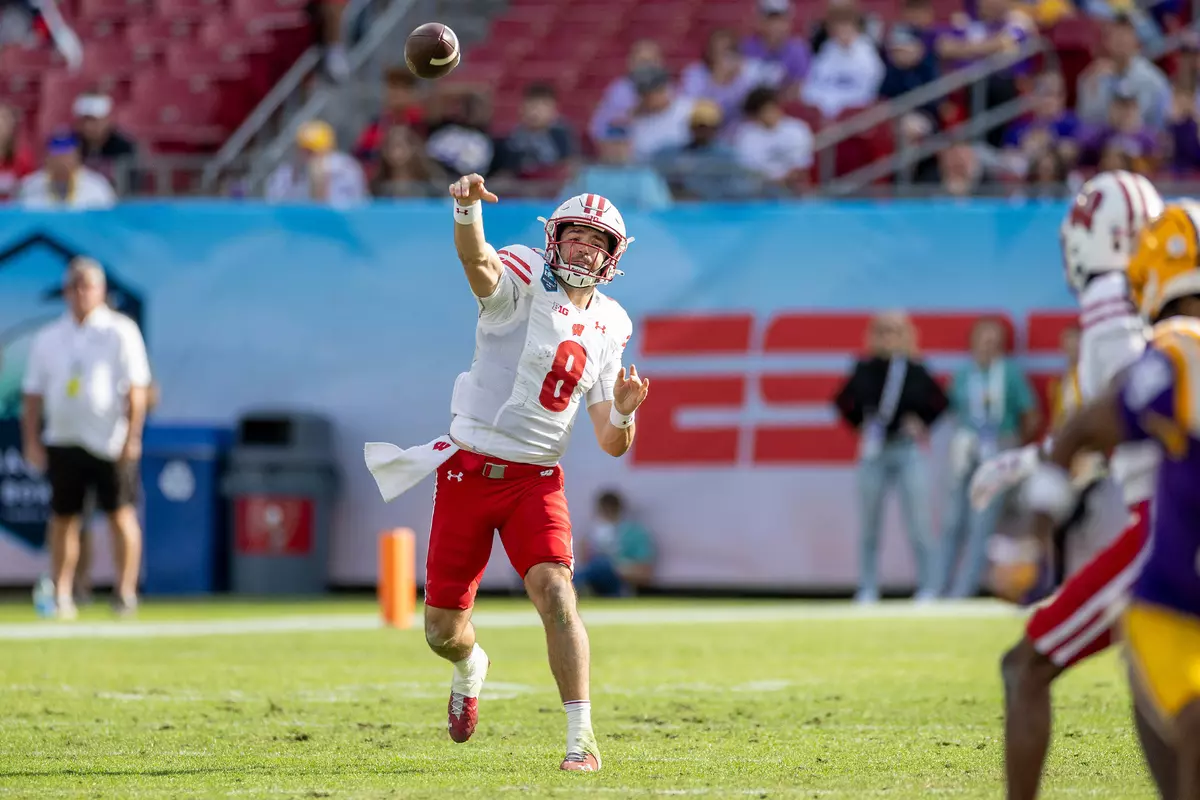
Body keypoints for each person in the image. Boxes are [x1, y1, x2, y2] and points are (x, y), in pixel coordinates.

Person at [363, 179, 650, 773]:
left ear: (613, 256)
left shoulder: (613, 324)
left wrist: (624, 409)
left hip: (536, 480)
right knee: (442, 631)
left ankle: (581, 738)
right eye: (575, 235)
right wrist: (466, 209)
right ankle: (471, 667)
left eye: (598, 242)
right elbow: (476, 258)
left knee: (556, 591)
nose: (584, 249)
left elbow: (610, 441)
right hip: (468, 472)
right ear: (554, 238)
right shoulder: (521, 274)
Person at [969, 170, 1165, 800]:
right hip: (1166, 510)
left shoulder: (1111, 305)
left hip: (1167, 523)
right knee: (1151, 680)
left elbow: (1116, 419)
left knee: (1025, 666)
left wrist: (1031, 506)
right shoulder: (1157, 301)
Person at [1022, 200, 1200, 799]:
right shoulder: (1180, 351)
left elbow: (1079, 433)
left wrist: (1034, 527)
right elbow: (1085, 430)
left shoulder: (1180, 347)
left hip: (1170, 595)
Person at [20, 258, 151, 619]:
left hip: (110, 439)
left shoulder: (119, 331)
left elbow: (137, 387)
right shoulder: (49, 336)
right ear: (65, 292)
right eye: (74, 286)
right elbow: (32, 395)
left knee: (120, 515)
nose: (80, 293)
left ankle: (125, 593)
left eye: (87, 286)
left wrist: (133, 435)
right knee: (64, 518)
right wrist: (32, 440)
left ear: (101, 291)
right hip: (64, 438)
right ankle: (63, 592)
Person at [834, 311, 947, 603]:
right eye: (883, 331)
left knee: (919, 521)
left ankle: (928, 586)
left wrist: (922, 422)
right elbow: (841, 402)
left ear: (906, 335)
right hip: (874, 450)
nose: (888, 337)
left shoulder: (914, 368)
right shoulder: (864, 368)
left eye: (895, 331)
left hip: (907, 449)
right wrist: (860, 423)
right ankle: (868, 586)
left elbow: (941, 402)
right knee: (870, 522)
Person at [936, 317, 1040, 599]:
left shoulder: (1010, 373)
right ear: (972, 341)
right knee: (952, 520)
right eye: (984, 337)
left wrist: (1011, 446)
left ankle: (961, 591)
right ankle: (935, 588)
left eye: (994, 339)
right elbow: (951, 408)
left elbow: (1030, 414)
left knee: (981, 523)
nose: (988, 344)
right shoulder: (963, 374)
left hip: (999, 446)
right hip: (968, 449)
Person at [574, 490, 655, 597]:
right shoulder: (591, 532)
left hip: (619, 582)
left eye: (611, 509)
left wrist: (615, 568)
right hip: (592, 579)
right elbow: (584, 562)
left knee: (603, 566)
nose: (607, 513)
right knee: (596, 566)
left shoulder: (634, 533)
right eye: (604, 510)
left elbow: (645, 573)